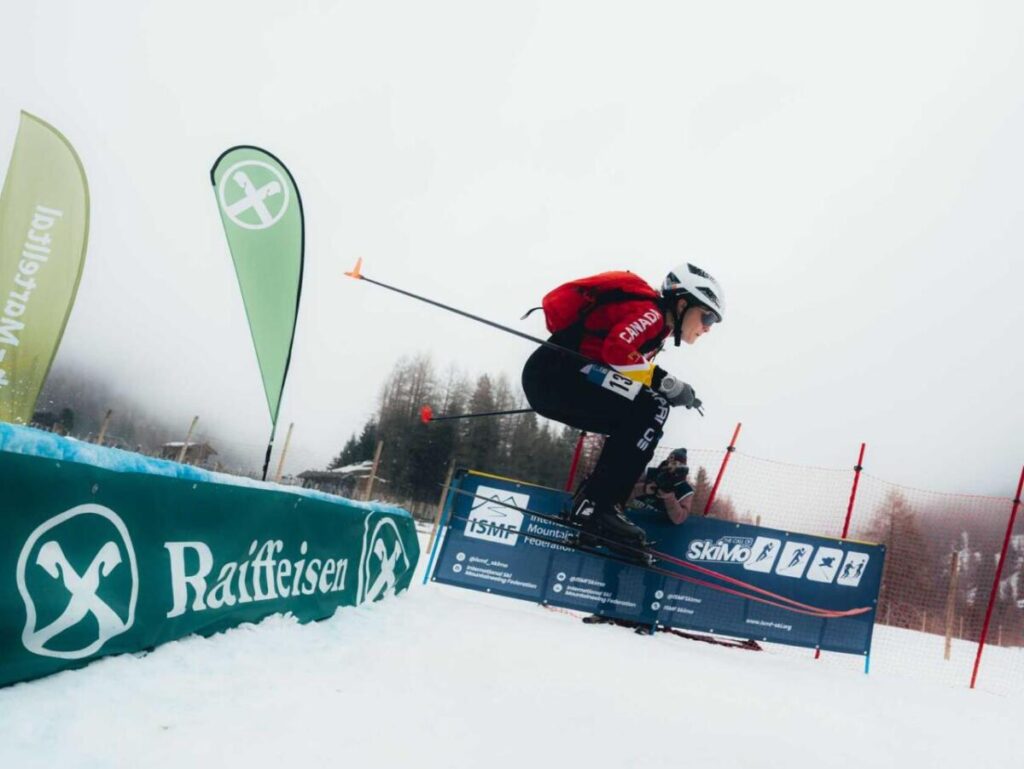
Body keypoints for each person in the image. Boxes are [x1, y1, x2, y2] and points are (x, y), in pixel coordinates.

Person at [521, 263, 724, 551]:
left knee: (642, 414)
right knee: (653, 407)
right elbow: (617, 351)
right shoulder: (652, 315)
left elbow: (621, 361)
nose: (707, 328)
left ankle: (593, 506)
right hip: (555, 373)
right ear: (682, 304)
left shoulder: (656, 330)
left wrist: (669, 387)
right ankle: (602, 507)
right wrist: (668, 384)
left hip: (561, 376)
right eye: (707, 317)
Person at [627, 447, 695, 525]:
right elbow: (620, 493)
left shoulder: (685, 490)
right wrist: (643, 489)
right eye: (672, 463)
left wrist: (669, 497)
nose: (674, 467)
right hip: (632, 517)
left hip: (660, 528)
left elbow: (679, 519)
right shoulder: (649, 474)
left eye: (679, 464)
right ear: (667, 462)